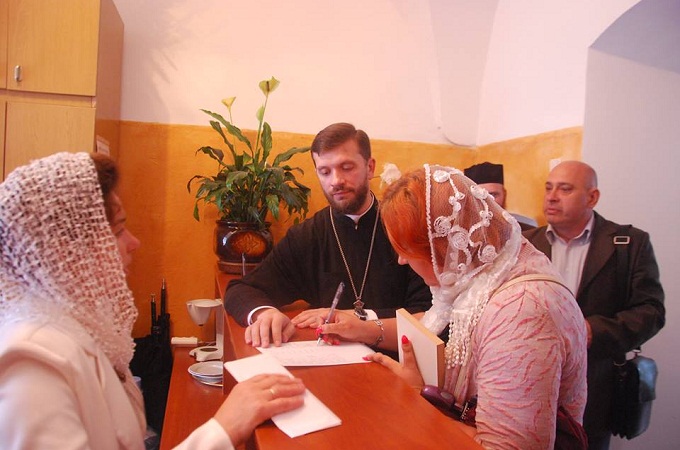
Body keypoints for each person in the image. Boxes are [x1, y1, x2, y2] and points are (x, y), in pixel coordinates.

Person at [0, 152, 305, 450]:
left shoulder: (75, 326)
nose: (134, 243)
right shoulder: (32, 362)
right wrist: (225, 427)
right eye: (119, 230)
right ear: (65, 251)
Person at [354, 164, 587, 449]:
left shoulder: (521, 311)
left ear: (440, 245)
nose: (402, 260)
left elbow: (505, 446)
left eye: (405, 250)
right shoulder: (482, 277)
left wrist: (416, 398)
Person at [223, 122, 432, 349]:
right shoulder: (307, 235)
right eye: (325, 172)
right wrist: (264, 314)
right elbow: (240, 290)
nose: (336, 181)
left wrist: (360, 317)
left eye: (347, 167)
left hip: (398, 358)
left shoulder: (404, 227)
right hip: (331, 359)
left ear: (370, 167)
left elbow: (428, 312)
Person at [523, 160, 665, 450]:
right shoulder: (525, 244)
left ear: (592, 197)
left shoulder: (628, 244)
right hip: (529, 387)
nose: (551, 197)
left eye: (565, 189)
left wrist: (592, 331)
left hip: (596, 391)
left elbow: (651, 311)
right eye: (549, 188)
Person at [464, 161, 537, 231]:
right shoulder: (461, 230)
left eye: (493, 194)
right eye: (480, 195)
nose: (489, 200)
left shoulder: (527, 226)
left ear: (504, 194)